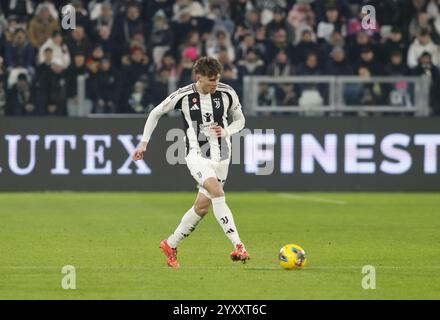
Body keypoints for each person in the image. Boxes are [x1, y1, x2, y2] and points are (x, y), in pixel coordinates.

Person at [132, 56, 249, 268]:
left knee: (202, 207)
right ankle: (238, 245)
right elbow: (155, 112)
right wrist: (144, 143)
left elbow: (240, 120)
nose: (215, 84)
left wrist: (227, 130)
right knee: (217, 192)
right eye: (210, 80)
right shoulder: (184, 95)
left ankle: (171, 244)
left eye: (217, 79)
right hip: (196, 154)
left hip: (222, 156)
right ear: (199, 77)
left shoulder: (227, 93)